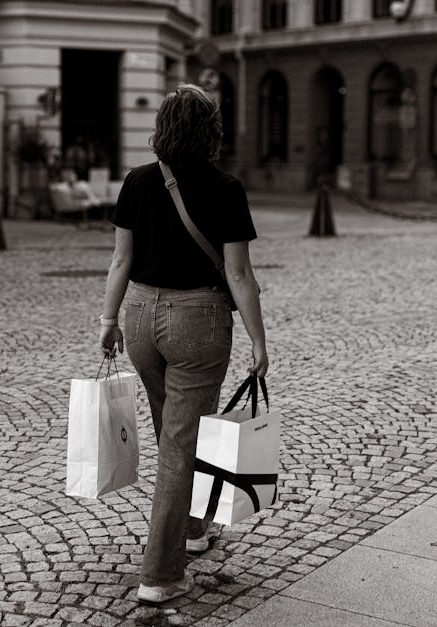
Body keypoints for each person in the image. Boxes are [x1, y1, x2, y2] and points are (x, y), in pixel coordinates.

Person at [98, 83, 268, 604]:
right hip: (197, 322)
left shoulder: (138, 181)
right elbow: (239, 274)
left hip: (140, 319)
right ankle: (161, 575)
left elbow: (121, 259)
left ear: (163, 127)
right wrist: (259, 341)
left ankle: (193, 530)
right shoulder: (226, 188)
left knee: (175, 433)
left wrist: (108, 319)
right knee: (180, 443)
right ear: (210, 132)